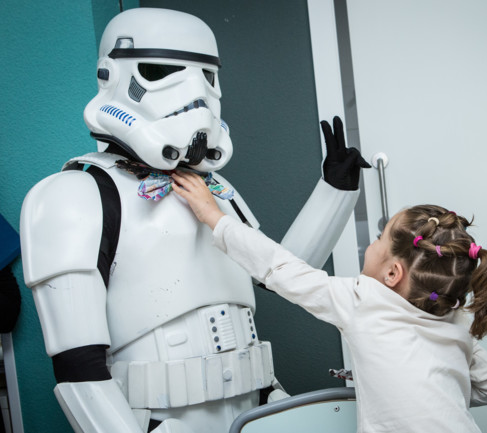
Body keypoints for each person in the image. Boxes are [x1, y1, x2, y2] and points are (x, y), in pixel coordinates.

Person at [20, 7, 368, 433]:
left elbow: (281, 271)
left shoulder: (215, 189)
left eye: (207, 76)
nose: (195, 94)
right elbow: (80, 371)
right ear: (111, 76)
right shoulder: (75, 195)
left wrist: (335, 192)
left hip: (256, 408)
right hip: (162, 421)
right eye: (162, 71)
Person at [172, 171, 487, 433]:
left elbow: (280, 267)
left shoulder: (364, 300)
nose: (372, 245)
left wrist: (213, 216)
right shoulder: (454, 319)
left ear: (392, 273)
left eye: (379, 238)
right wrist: (436, 396)